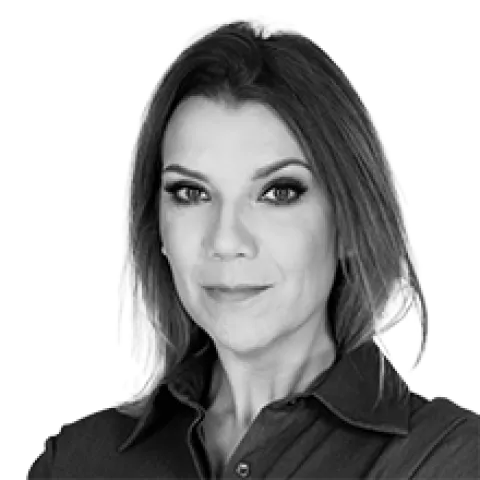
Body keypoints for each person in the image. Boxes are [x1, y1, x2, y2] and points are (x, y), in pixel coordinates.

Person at [29, 18, 479, 480]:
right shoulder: (78, 463)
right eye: (190, 193)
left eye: (279, 192)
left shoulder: (446, 459)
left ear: (349, 223)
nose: (226, 241)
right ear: (157, 228)